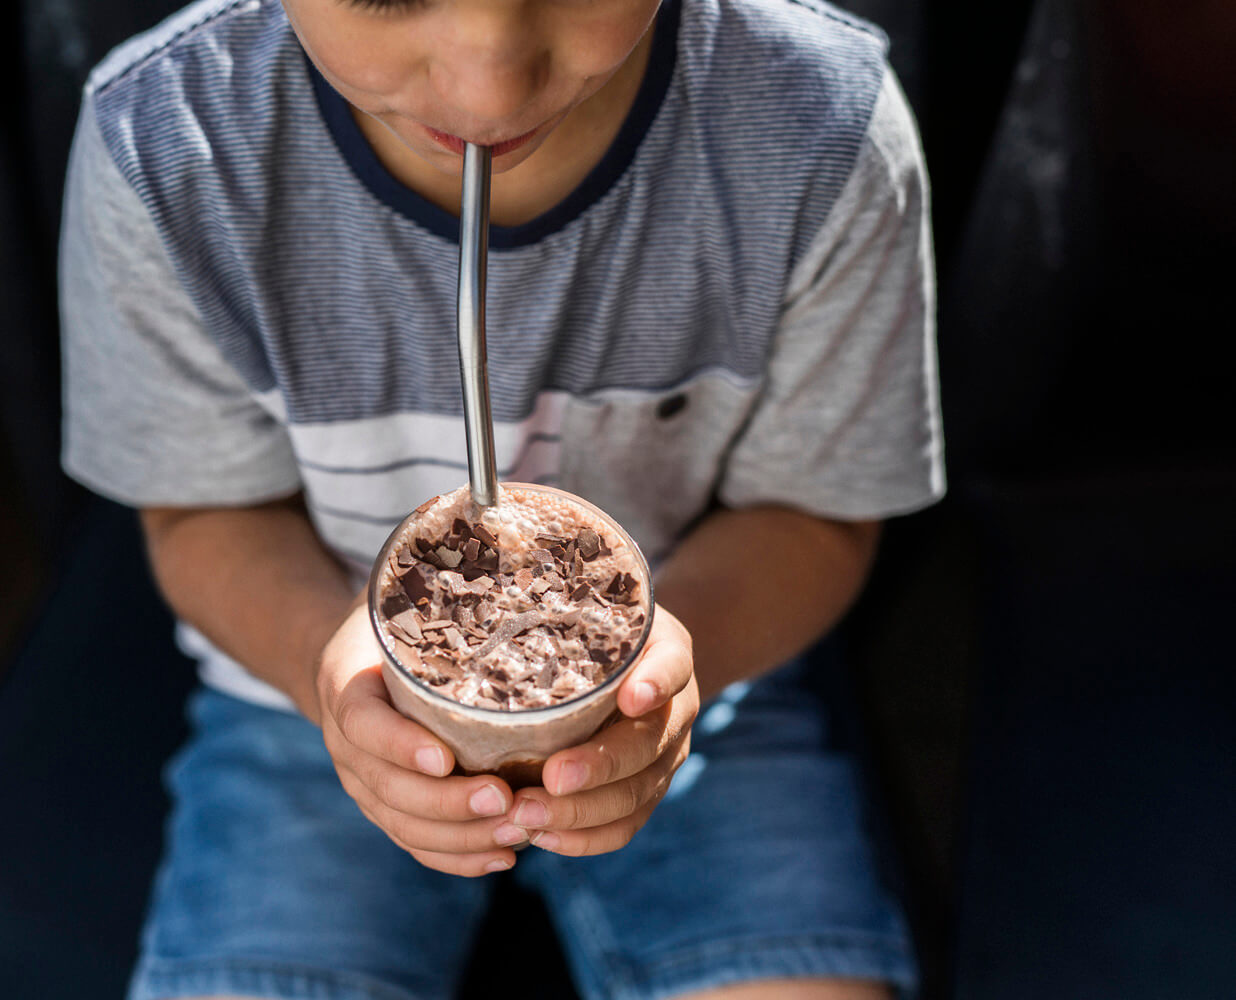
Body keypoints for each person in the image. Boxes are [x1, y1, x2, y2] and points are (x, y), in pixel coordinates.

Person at [58, 0, 944, 994]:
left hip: (704, 688)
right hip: (304, 700)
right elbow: (199, 516)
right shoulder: (167, 147)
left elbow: (813, 521)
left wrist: (675, 678)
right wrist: (329, 674)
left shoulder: (822, 135)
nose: (491, 86)